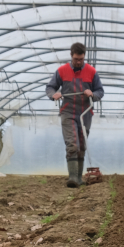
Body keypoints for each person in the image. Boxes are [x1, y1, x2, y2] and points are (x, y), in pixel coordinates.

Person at [45, 42, 104, 187]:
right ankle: (72, 177)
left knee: (82, 145)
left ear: (84, 57)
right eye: (76, 59)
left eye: (81, 59)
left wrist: (93, 94)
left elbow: (100, 91)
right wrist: (54, 95)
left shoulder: (91, 72)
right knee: (72, 144)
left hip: (85, 112)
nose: (79, 62)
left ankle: (79, 178)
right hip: (68, 111)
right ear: (71, 56)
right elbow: (50, 87)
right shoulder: (62, 71)